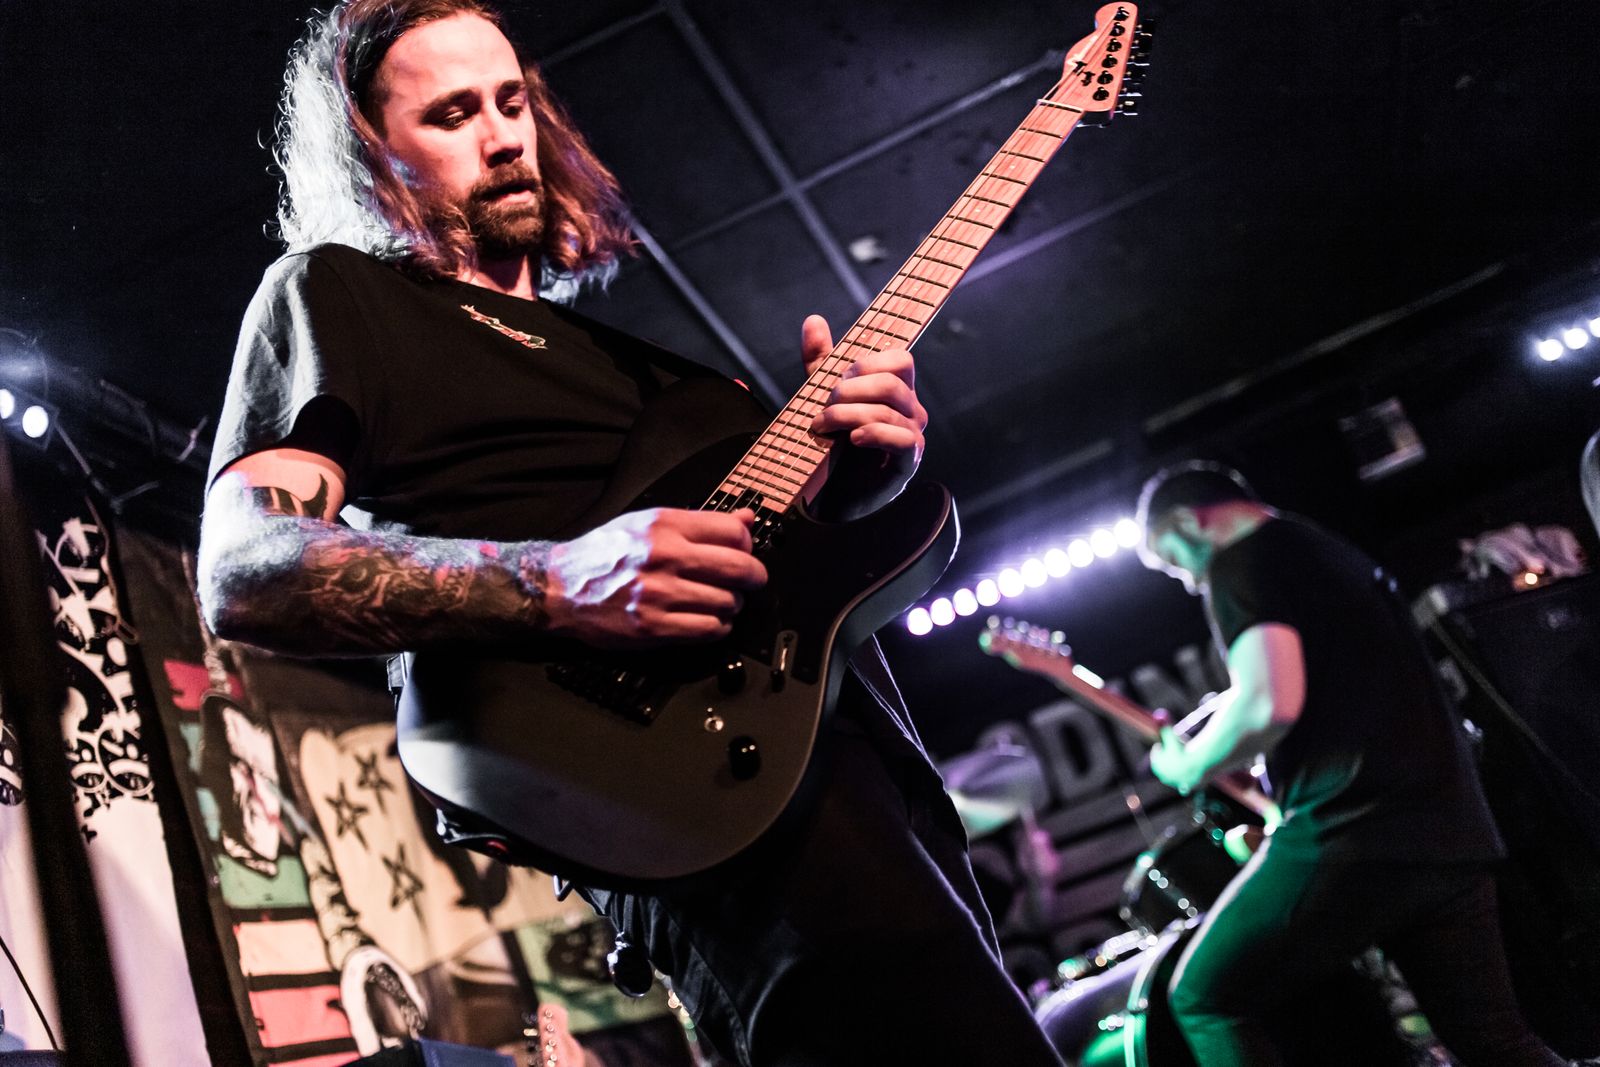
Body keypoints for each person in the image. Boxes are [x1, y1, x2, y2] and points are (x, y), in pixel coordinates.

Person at [195, 2, 1064, 1064]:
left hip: (856, 765)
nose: (503, 135)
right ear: (374, 154)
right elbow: (244, 568)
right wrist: (558, 580)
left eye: (512, 100)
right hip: (672, 772)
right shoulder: (336, 293)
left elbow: (797, 570)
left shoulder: (661, 379)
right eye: (454, 114)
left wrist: (869, 473)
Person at [1132, 460, 1566, 1066]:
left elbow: (1267, 703)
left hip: (1355, 832)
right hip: (1448, 826)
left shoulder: (1239, 562)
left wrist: (1190, 766)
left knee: (1206, 998)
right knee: (1496, 1044)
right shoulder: (1325, 550)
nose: (1185, 580)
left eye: (1173, 559)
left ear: (1190, 521)